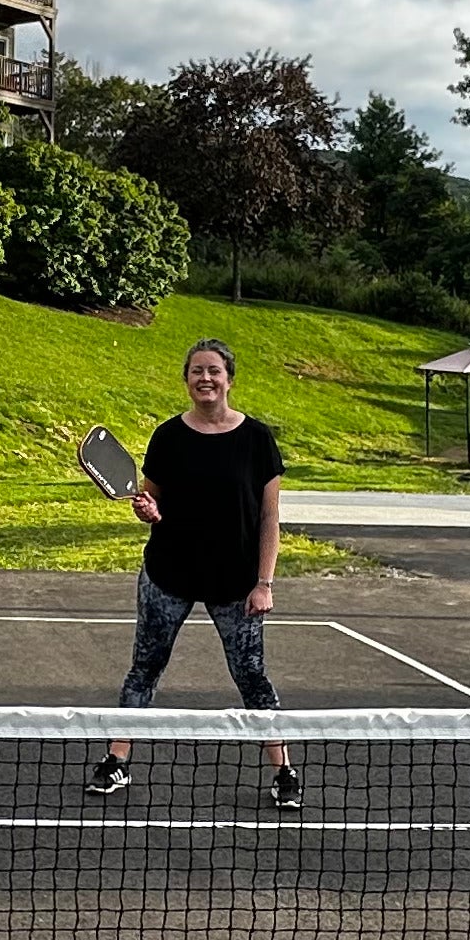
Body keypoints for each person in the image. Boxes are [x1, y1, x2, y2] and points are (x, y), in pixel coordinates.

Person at [92, 339, 297, 812]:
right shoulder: (167, 437)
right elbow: (152, 502)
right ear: (186, 380)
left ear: (229, 378)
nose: (205, 379)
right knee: (144, 669)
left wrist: (264, 583)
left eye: (214, 371)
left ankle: (283, 770)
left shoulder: (257, 440)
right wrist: (147, 512)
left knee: (252, 678)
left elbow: (269, 519)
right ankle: (116, 760)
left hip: (237, 584)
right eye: (196, 372)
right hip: (169, 575)